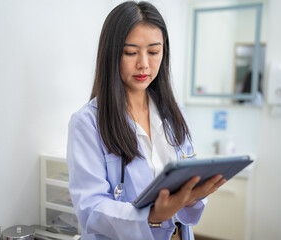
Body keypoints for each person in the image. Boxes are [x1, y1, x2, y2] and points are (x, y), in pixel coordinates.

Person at [66, 2, 226, 239]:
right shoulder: (87, 123)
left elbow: (186, 184)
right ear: (111, 54)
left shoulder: (174, 114)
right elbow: (91, 209)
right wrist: (151, 215)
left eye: (153, 52)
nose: (144, 64)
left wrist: (192, 196)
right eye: (131, 52)